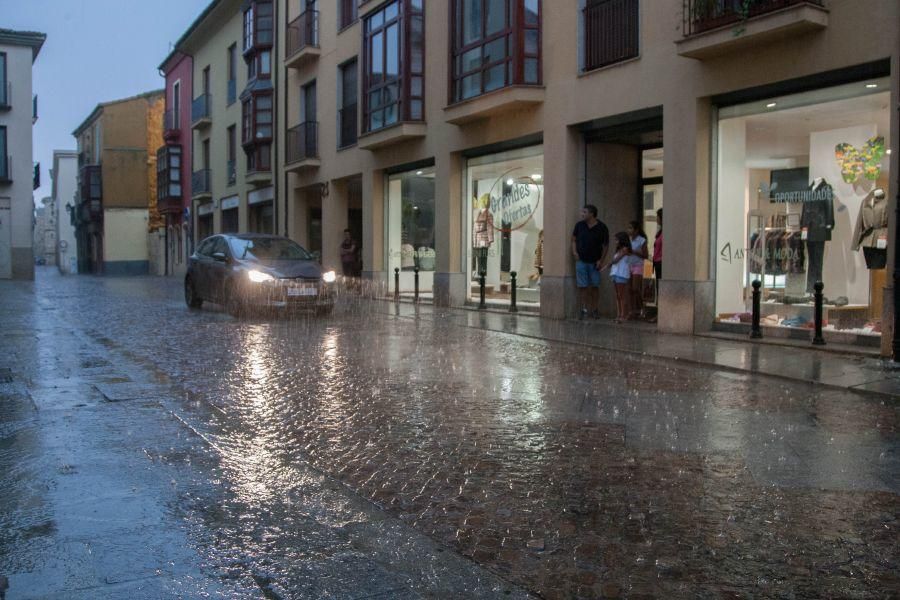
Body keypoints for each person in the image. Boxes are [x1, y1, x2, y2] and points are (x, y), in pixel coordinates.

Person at [571, 205, 609, 319]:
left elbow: (606, 245)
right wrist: (574, 252)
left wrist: (601, 260)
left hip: (594, 262)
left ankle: (595, 309)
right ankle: (584, 309)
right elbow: (573, 239)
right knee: (582, 286)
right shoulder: (579, 225)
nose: (582, 214)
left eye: (584, 212)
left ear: (591, 214)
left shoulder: (602, 227)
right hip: (581, 261)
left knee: (595, 286)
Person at [627, 220, 649, 319]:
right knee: (630, 289)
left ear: (636, 230)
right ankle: (631, 311)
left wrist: (635, 252)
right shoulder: (628, 240)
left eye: (631, 228)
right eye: (628, 228)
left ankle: (642, 308)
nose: (629, 230)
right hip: (629, 265)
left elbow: (645, 255)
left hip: (638, 266)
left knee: (636, 288)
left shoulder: (642, 240)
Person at [609, 232, 632, 323]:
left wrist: (611, 262)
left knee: (621, 295)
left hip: (621, 274)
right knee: (618, 295)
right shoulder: (618, 250)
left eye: (617, 240)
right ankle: (619, 314)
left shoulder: (625, 249)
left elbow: (617, 259)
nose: (615, 242)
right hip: (615, 273)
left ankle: (623, 314)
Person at [653, 208, 663, 281]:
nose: (656, 218)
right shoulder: (660, 232)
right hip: (657, 262)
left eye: (657, 216)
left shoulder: (665, 232)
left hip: (661, 262)